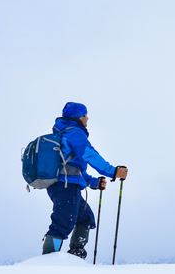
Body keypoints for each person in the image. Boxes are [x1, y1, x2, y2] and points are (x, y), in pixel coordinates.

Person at [42, 102, 128, 258]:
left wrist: (94, 182)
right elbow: (89, 154)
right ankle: (48, 260)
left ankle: (76, 256)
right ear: (78, 117)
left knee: (85, 218)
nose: (87, 118)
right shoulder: (74, 132)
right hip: (65, 186)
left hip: (64, 184)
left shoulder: (64, 133)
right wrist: (113, 171)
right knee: (63, 222)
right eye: (85, 115)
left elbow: (73, 168)